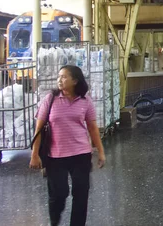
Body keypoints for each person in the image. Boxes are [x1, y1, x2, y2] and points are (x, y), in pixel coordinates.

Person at [29, 65, 105, 226]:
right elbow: (39, 129)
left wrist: (101, 152)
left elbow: (92, 128)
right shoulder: (50, 99)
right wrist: (35, 155)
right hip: (55, 156)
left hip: (81, 154)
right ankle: (54, 221)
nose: (60, 80)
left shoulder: (85, 101)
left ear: (75, 81)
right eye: (59, 76)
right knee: (59, 194)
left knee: (81, 194)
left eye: (64, 77)